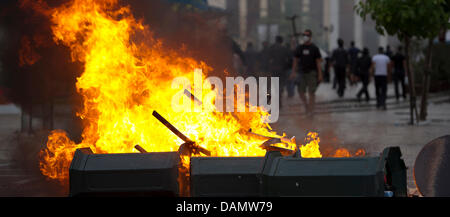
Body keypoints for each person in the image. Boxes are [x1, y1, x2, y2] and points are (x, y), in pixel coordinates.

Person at [291, 29, 323, 116]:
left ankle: (311, 109)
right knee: (301, 92)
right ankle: (306, 106)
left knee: (311, 92)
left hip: (312, 73)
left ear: (310, 37)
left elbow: (318, 62)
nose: (305, 36)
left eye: (307, 35)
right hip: (301, 73)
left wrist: (320, 74)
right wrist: (293, 72)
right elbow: (295, 61)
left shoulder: (314, 48)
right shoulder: (300, 48)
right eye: (304, 35)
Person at [268, 36, 291, 108]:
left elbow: (267, 59)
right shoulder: (284, 49)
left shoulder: (271, 48)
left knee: (275, 86)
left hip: (274, 70)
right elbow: (290, 59)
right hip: (282, 70)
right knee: (281, 85)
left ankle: (276, 101)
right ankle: (279, 100)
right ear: (282, 41)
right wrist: (287, 67)